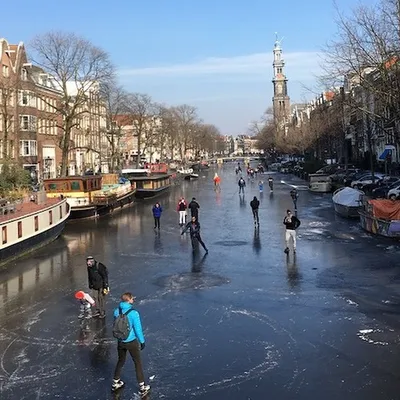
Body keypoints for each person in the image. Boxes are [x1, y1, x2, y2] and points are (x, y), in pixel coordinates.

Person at [111, 292, 151, 396]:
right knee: (137, 363)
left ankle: (115, 382)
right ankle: (142, 387)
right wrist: (142, 341)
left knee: (121, 360)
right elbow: (138, 329)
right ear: (129, 300)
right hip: (131, 341)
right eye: (132, 298)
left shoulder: (116, 311)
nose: (133, 300)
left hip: (120, 341)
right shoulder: (134, 313)